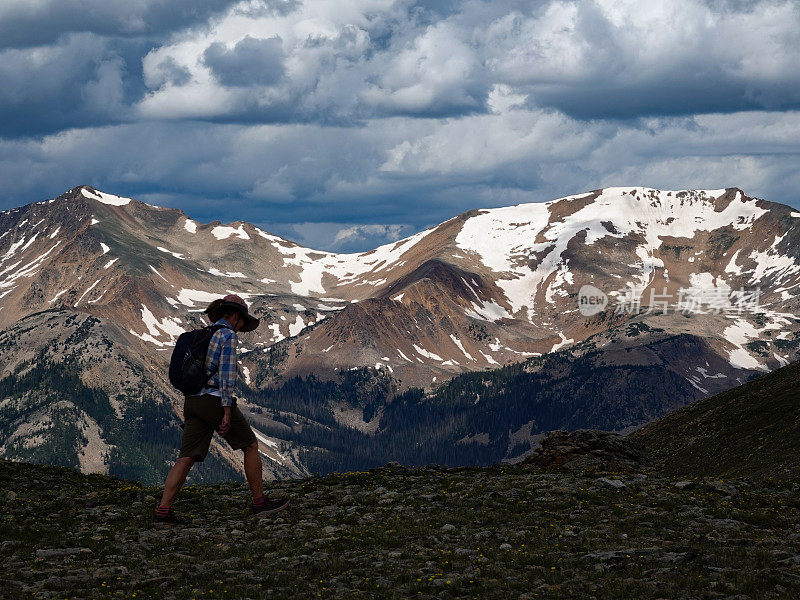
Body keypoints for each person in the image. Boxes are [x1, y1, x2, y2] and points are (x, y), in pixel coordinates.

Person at [154, 294, 289, 523]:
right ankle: (259, 503)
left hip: (192, 401)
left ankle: (163, 512)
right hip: (213, 400)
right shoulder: (226, 336)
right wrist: (226, 410)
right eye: (242, 322)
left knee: (186, 457)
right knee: (250, 445)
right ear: (236, 316)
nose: (241, 328)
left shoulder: (202, 335)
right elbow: (227, 377)